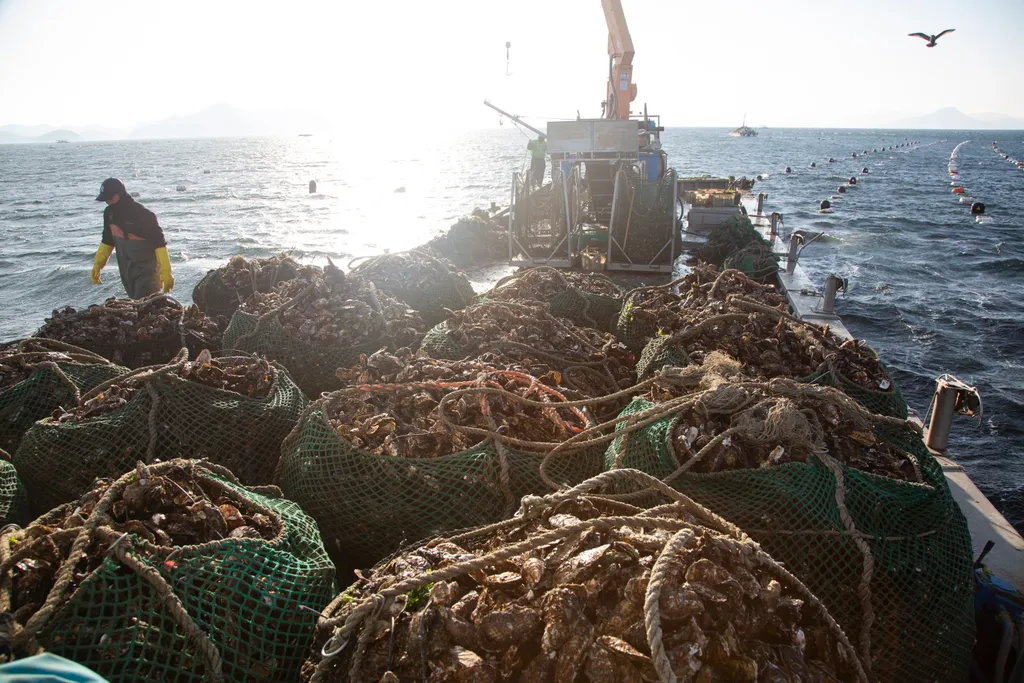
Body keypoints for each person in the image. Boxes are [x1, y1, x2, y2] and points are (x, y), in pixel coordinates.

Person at [90, 178, 174, 298]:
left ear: (119, 194)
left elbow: (159, 243)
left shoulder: (143, 214)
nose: (107, 202)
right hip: (126, 270)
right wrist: (98, 264)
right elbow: (107, 240)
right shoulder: (109, 214)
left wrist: (166, 272)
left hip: (147, 272)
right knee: (135, 304)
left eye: (110, 198)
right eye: (105, 199)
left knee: (146, 305)